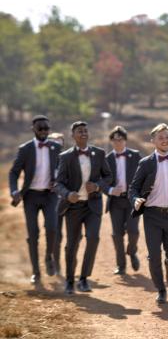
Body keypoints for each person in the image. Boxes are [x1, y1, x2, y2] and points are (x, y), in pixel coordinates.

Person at [129, 123, 168, 304]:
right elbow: (133, 188)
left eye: (167, 137)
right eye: (161, 138)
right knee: (154, 255)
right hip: (152, 215)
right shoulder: (145, 163)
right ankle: (161, 289)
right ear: (153, 141)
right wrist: (135, 200)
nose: (165, 140)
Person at [55, 121, 112, 295]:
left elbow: (108, 177)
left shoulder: (99, 153)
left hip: (93, 205)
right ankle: (69, 281)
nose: (84, 133)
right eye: (80, 131)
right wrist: (67, 194)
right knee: (72, 244)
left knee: (93, 238)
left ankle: (84, 279)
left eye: (86, 130)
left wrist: (97, 186)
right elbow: (58, 183)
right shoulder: (65, 157)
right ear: (73, 135)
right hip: (73, 207)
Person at [9, 116, 62, 284]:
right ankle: (35, 272)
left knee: (52, 228)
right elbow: (14, 172)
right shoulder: (25, 149)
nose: (44, 131)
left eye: (47, 128)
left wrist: (58, 181)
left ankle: (49, 257)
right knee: (33, 234)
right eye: (40, 128)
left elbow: (62, 170)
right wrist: (14, 191)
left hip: (50, 195)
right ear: (33, 129)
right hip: (31, 196)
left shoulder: (56, 147)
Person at [105, 125, 141, 275]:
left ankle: (132, 252)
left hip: (132, 200)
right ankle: (121, 265)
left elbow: (143, 176)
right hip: (115, 201)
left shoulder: (135, 156)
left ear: (125, 140)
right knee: (117, 234)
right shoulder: (106, 159)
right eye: (114, 139)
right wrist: (110, 190)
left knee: (133, 231)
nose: (117, 142)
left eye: (120, 139)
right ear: (111, 141)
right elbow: (102, 181)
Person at [49, 132, 66, 275]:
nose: (56, 142)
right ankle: (56, 264)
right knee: (57, 235)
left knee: (76, 235)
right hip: (54, 203)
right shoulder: (45, 161)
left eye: (59, 140)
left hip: (70, 201)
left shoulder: (68, 158)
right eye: (53, 140)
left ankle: (70, 260)